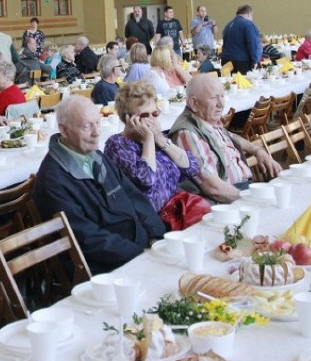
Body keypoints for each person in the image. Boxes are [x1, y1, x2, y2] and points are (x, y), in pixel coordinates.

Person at [33, 96, 165, 274]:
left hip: (138, 247)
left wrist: (157, 237)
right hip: (105, 265)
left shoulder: (96, 156)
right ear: (64, 130)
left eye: (98, 123)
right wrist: (140, 254)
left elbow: (134, 197)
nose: (96, 133)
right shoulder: (53, 178)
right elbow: (85, 237)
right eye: (87, 126)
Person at [170, 75, 282, 203]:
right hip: (229, 200)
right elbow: (214, 188)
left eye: (222, 96)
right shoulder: (188, 133)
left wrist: (258, 151)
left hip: (245, 188)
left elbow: (231, 137)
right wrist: (252, 200)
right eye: (214, 98)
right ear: (194, 103)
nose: (221, 104)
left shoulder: (207, 120)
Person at [104, 82, 200, 214]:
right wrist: (148, 140)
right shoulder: (117, 144)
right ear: (128, 118)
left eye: (154, 114)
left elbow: (191, 166)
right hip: (154, 222)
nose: (152, 119)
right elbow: (147, 179)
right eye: (144, 115)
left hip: (179, 211)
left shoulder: (158, 138)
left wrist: (160, 140)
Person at [220, 4, 262, 74]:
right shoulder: (248, 24)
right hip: (241, 62)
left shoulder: (228, 25)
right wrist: (256, 60)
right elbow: (253, 44)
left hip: (226, 61)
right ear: (249, 14)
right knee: (244, 84)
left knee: (230, 83)